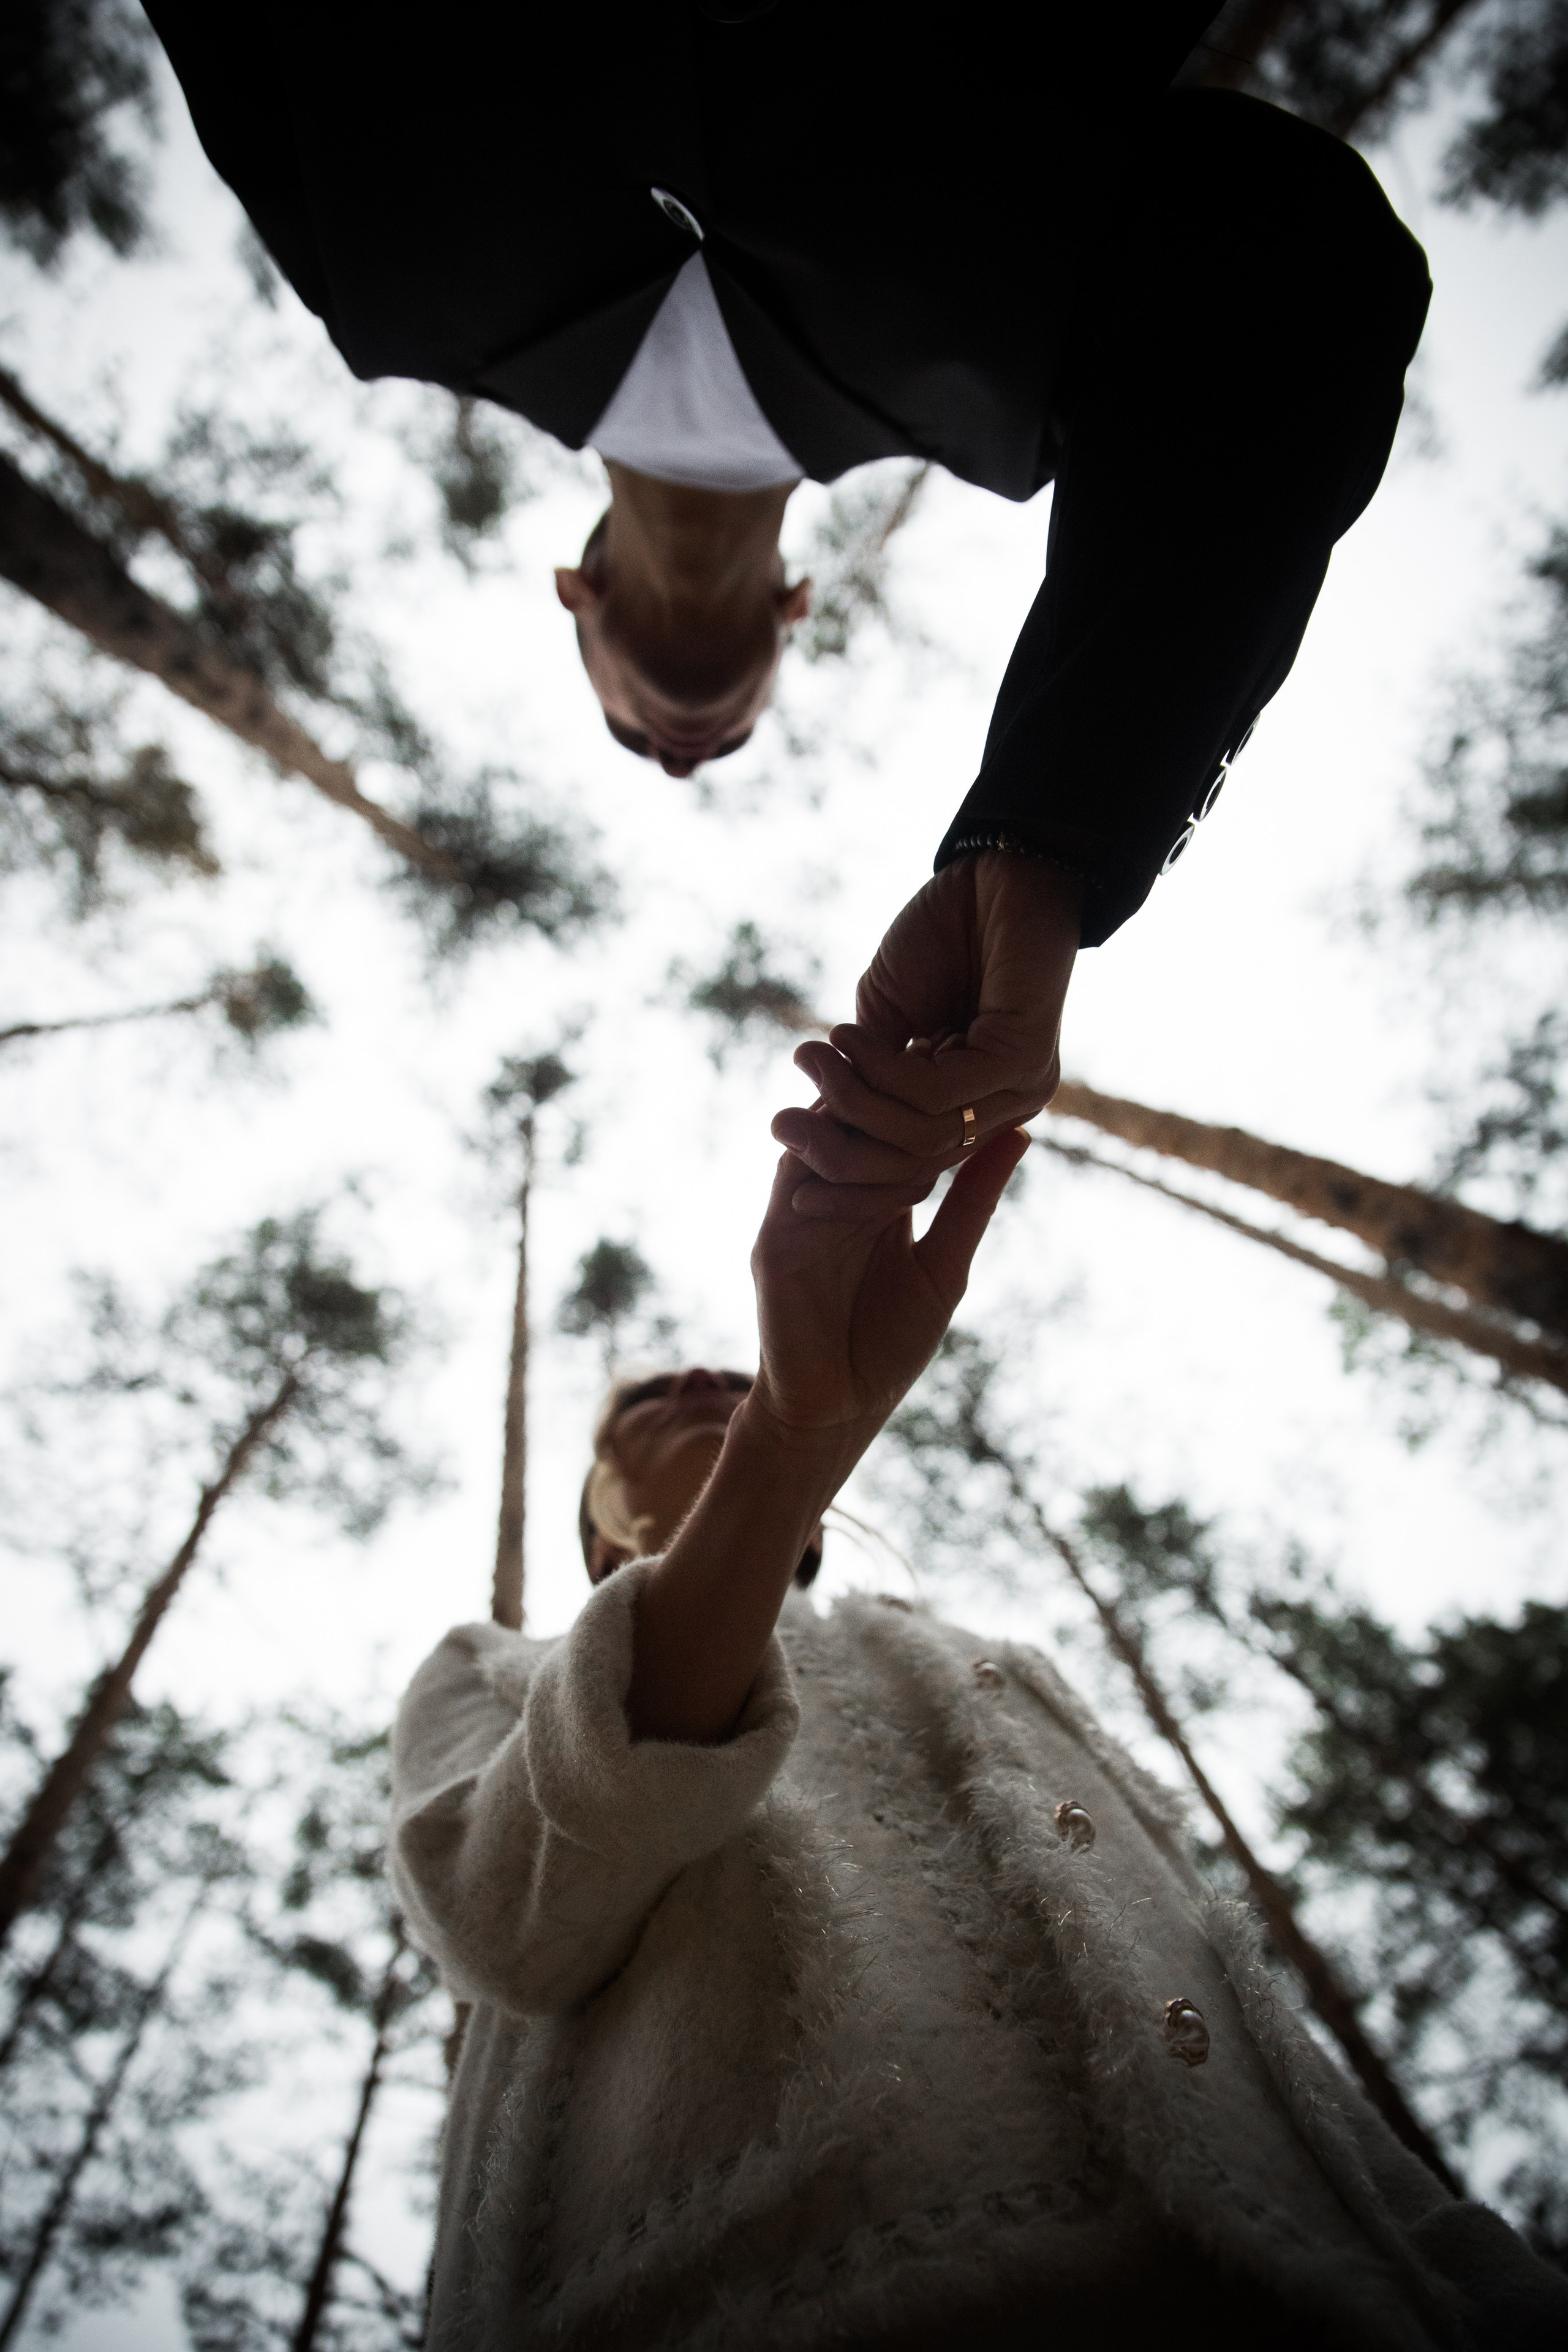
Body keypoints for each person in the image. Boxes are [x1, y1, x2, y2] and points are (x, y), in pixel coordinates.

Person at [146, 6, 1431, 1202]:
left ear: (571, 599)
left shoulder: (371, 279)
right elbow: (1296, 263)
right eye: (715, 743)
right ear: (797, 613)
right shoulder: (1031, 385)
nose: (675, 756)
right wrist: (1049, 843)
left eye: (629, 734)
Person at [390, 1124, 1567, 2350]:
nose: (701, 1387)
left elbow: (1236, 2018)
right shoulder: (491, 1672)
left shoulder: (982, 1666)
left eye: (733, 1387)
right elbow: (508, 1921)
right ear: (597, 1535)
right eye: (645, 1401)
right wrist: (784, 1433)